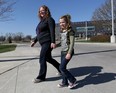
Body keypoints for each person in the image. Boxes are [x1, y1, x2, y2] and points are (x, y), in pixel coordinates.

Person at [31, 5, 61, 83]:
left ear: (46, 11)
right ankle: (61, 68)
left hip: (47, 42)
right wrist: (34, 41)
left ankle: (41, 77)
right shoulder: (41, 21)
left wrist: (53, 42)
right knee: (48, 58)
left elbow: (52, 31)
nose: (41, 12)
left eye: (43, 10)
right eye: (40, 11)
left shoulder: (49, 20)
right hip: (43, 43)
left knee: (42, 58)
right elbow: (39, 34)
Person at [57, 14, 77, 89]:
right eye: (60, 22)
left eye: (63, 22)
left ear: (67, 22)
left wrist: (69, 53)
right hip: (63, 52)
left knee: (62, 67)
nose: (61, 24)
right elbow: (62, 42)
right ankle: (64, 82)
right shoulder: (62, 31)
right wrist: (56, 45)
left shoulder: (70, 31)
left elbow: (72, 43)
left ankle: (72, 80)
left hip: (68, 52)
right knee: (62, 67)